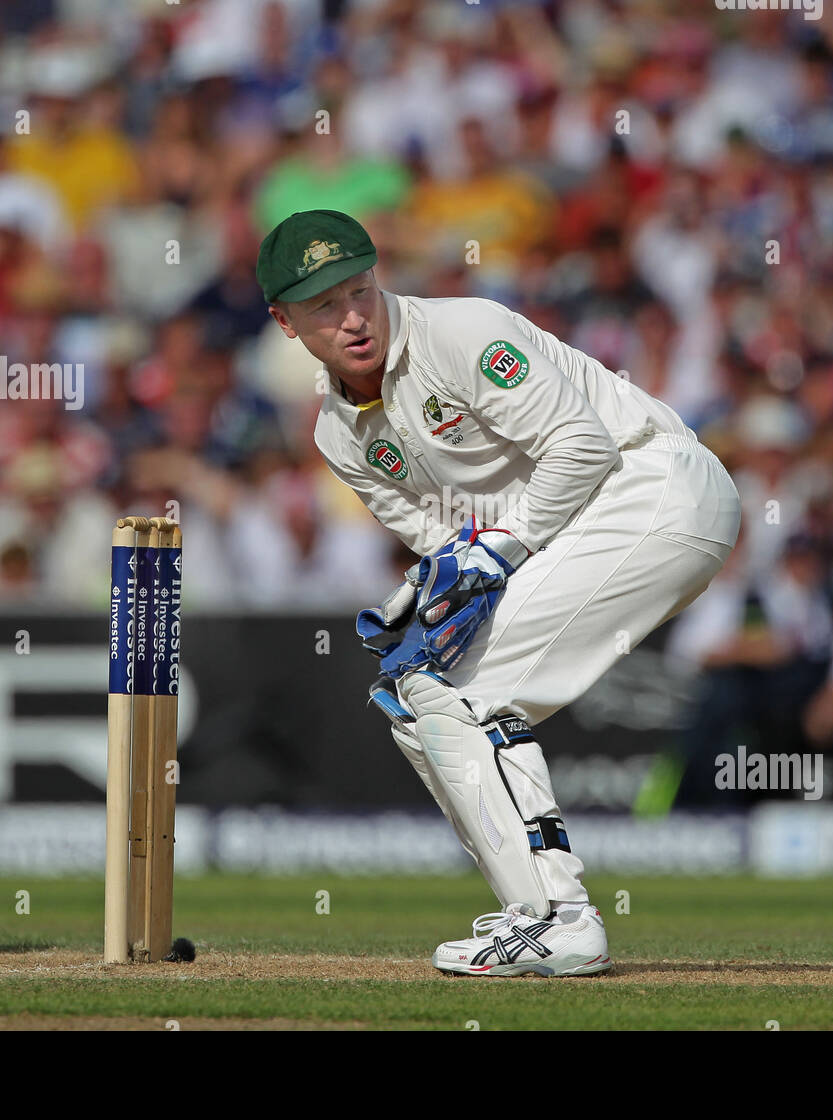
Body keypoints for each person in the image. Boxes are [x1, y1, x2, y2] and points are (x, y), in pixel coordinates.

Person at [259, 210, 740, 977]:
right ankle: (535, 911)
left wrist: (499, 549)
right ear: (285, 322)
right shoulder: (336, 434)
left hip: (652, 485)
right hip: (584, 532)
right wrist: (434, 587)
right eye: (324, 306)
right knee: (419, 707)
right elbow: (439, 538)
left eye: (360, 290)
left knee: (455, 692)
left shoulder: (461, 331)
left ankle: (559, 917)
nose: (353, 317)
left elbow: (580, 446)